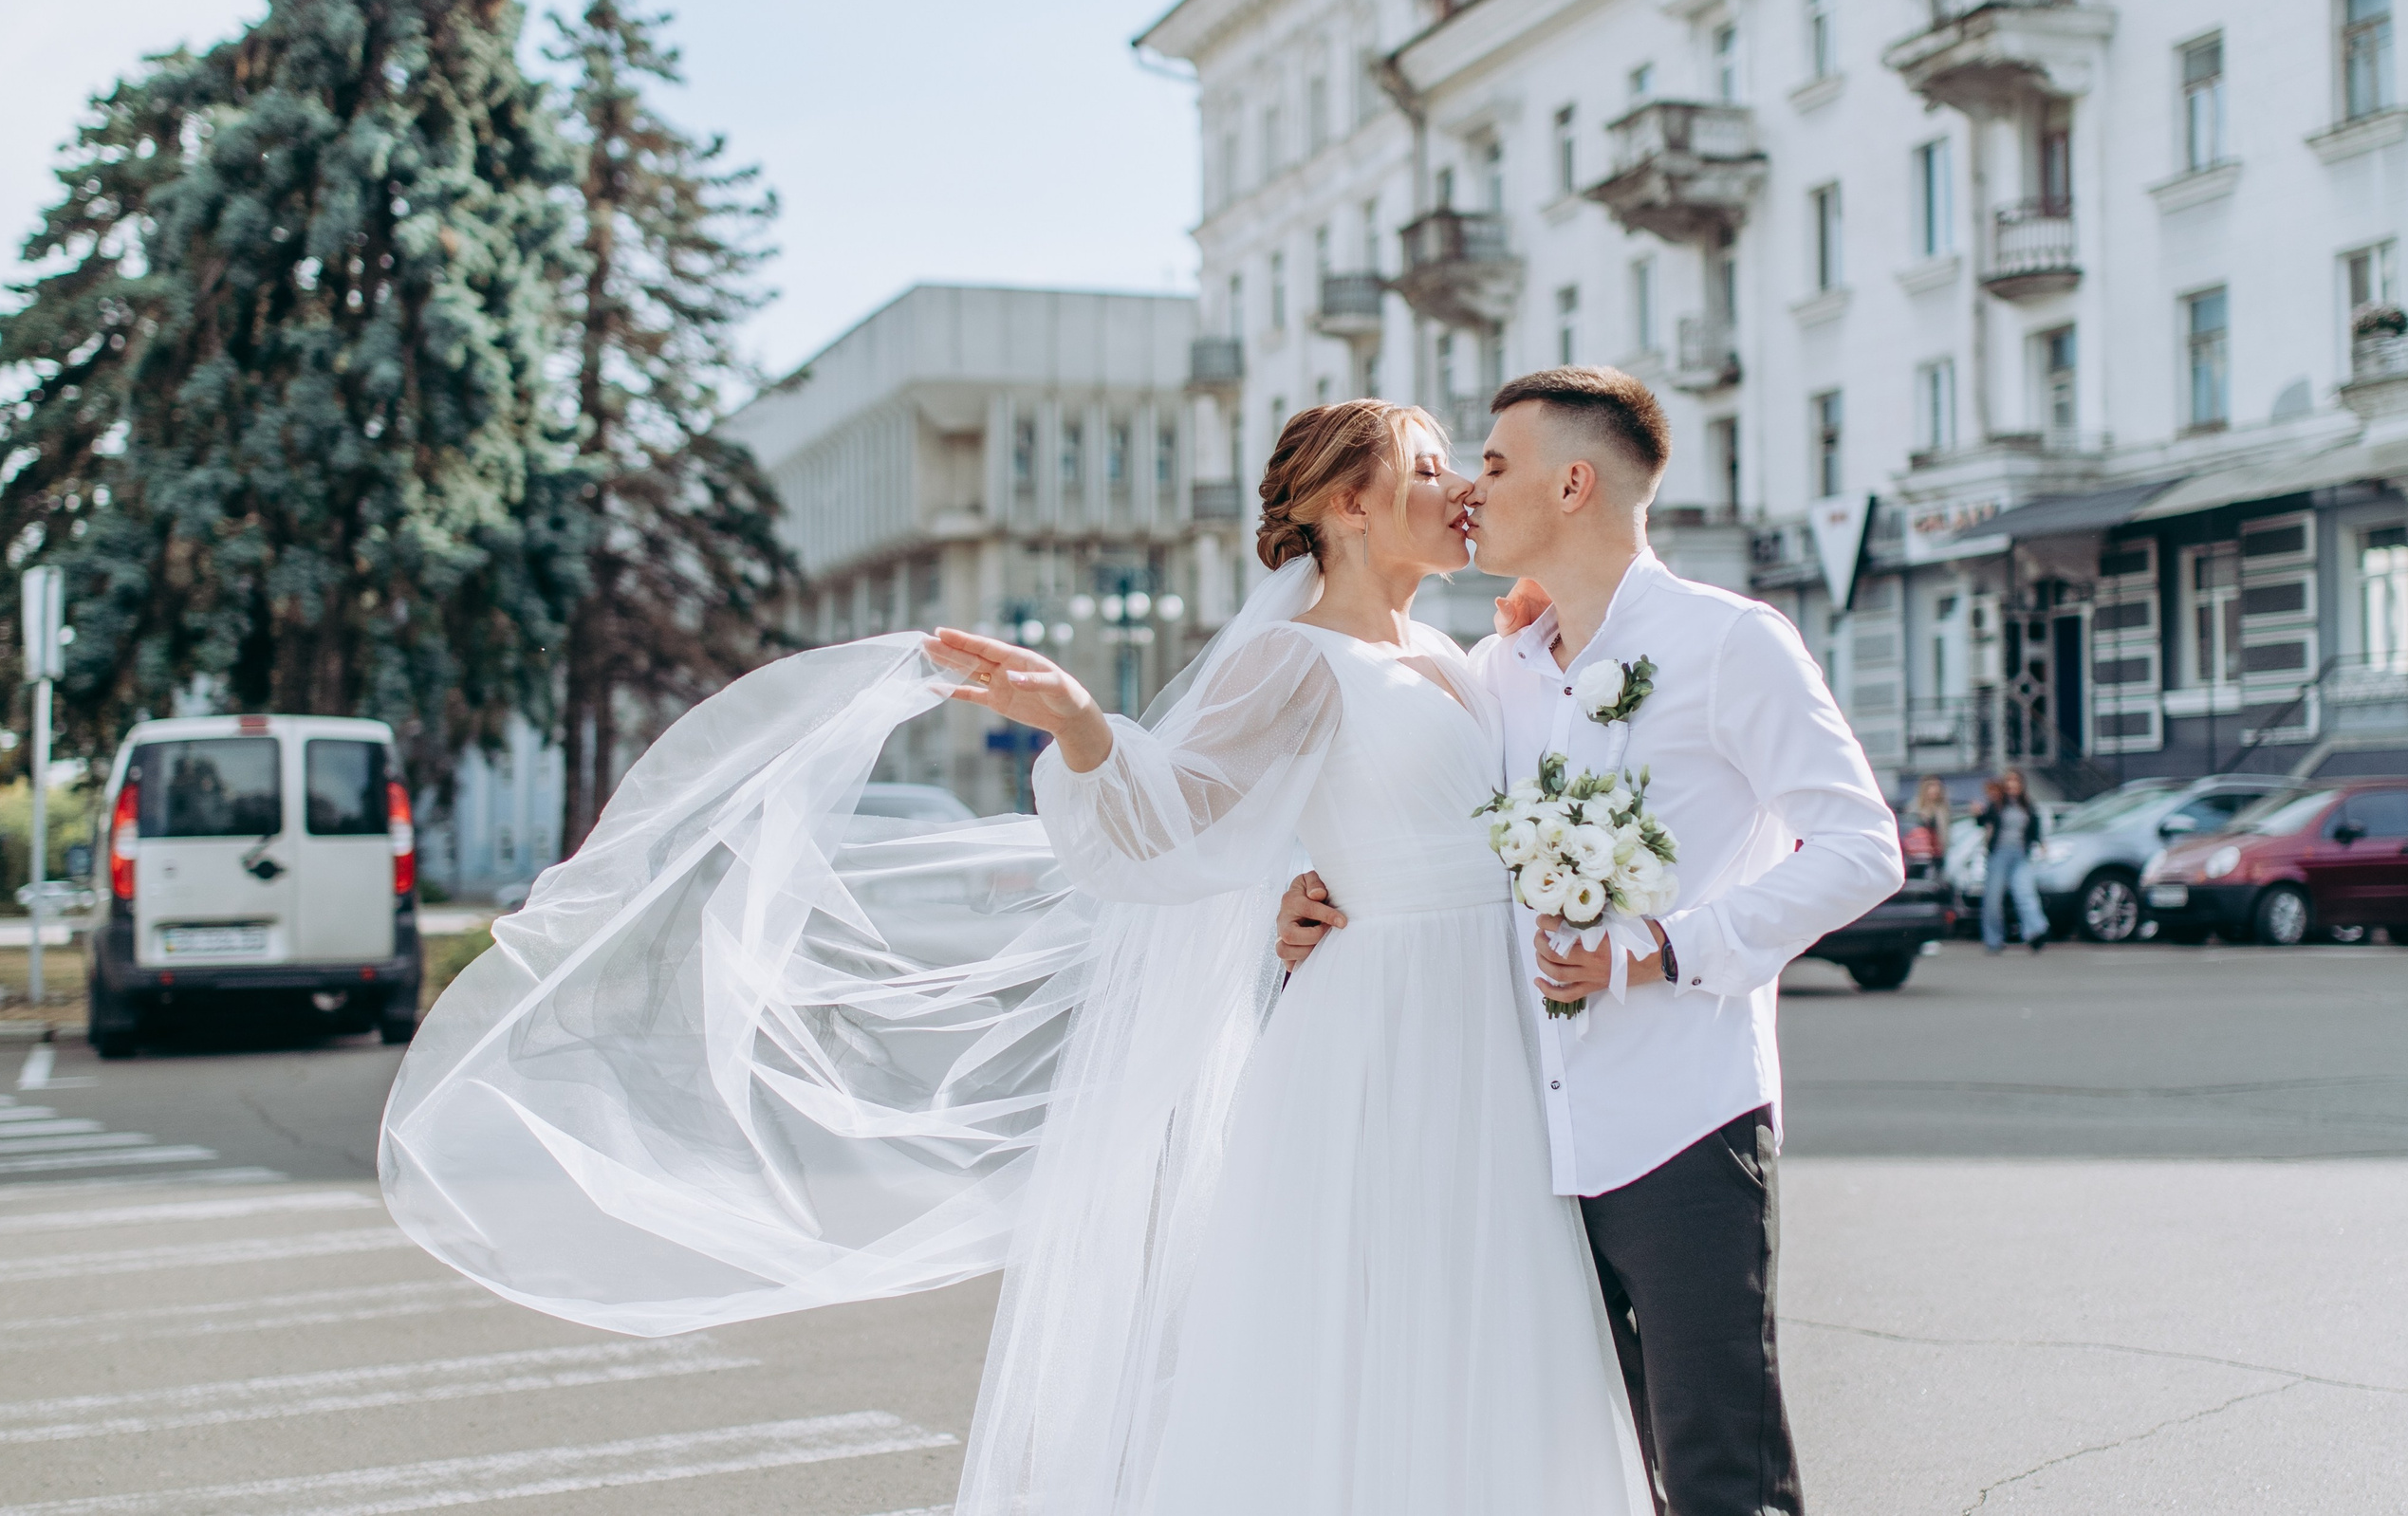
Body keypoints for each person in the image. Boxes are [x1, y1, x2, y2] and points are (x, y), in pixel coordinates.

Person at [382, 400, 1652, 1516]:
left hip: (1482, 1025)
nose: (1461, 487)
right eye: (1429, 466)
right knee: (1362, 1319)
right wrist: (1085, 724)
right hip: (1379, 1038)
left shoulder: (1456, 654)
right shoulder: (1294, 655)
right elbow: (1180, 820)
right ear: (1347, 505)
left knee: (1481, 1311)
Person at [1276, 368, 1903, 1516]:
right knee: (1581, 1472)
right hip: (1523, 1140)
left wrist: (1667, 947)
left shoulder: (1729, 642)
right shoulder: (1497, 671)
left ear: (1573, 484)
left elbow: (1863, 848)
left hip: (1680, 1122)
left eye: (1493, 464)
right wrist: (1303, 889)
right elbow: (1407, 806)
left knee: (1718, 1473)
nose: (1469, 488)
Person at [1977, 766, 2049, 952]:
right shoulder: (1997, 804)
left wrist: (2041, 843)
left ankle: (2036, 931)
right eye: (2008, 781)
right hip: (1999, 854)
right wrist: (1977, 813)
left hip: (2020, 854)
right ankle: (1993, 940)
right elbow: (1983, 821)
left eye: (2015, 781)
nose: (2012, 785)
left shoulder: (2027, 806)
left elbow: (2034, 827)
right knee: (1993, 899)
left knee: (2025, 893)